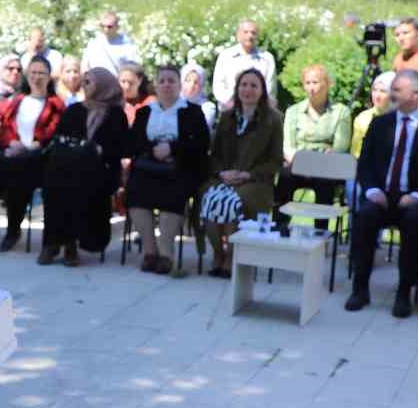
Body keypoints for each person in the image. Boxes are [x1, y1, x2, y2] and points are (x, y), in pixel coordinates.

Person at [347, 69, 418, 316]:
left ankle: (404, 292)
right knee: (365, 217)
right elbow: (365, 163)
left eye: (397, 90)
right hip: (380, 194)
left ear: (415, 95)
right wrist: (370, 189)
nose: (391, 94)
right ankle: (360, 288)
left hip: (414, 196)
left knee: (415, 223)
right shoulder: (380, 124)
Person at [0, 55, 64, 253]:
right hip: (11, 151)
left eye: (41, 73)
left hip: (38, 156)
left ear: (49, 77)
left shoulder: (55, 103)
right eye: (33, 73)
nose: (36, 77)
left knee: (19, 178)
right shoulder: (18, 99)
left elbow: (53, 131)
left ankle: (13, 231)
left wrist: (32, 146)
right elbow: (4, 127)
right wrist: (11, 143)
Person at [124, 65, 211, 275]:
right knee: (136, 190)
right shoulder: (145, 112)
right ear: (156, 84)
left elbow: (202, 144)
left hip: (180, 168)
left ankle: (166, 253)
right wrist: (153, 150)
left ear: (179, 84)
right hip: (148, 167)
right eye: (162, 80)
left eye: (171, 80)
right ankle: (149, 251)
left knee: (174, 191)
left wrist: (172, 148)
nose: (166, 85)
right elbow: (132, 142)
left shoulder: (192, 112)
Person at [198, 69, 284, 278]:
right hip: (224, 177)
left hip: (255, 182)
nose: (248, 89)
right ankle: (219, 254)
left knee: (233, 201)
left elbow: (275, 161)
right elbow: (215, 154)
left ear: (262, 91)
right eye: (244, 85)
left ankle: (232, 257)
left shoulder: (273, 120)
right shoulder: (227, 117)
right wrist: (222, 173)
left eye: (254, 85)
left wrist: (248, 175)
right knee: (210, 198)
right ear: (237, 89)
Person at [38, 67, 127, 266]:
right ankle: (56, 242)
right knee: (56, 180)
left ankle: (66, 243)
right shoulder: (74, 110)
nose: (84, 86)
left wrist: (94, 150)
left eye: (89, 82)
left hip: (102, 170)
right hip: (68, 169)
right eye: (84, 82)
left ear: (103, 85)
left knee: (72, 180)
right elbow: (60, 139)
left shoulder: (115, 114)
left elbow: (118, 149)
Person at [274, 64, 351, 235]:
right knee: (285, 177)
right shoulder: (293, 111)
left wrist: (318, 162)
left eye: (315, 82)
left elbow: (340, 146)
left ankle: (320, 232)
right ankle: (279, 226)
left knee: (325, 182)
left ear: (327, 84)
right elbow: (287, 145)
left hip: (325, 164)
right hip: (298, 161)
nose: (311, 87)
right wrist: (302, 162)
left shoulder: (341, 112)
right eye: (307, 83)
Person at [211, 19, 277, 106]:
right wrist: (232, 105)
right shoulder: (226, 56)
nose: (250, 36)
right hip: (230, 110)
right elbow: (218, 85)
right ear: (238, 35)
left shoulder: (267, 59)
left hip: (258, 111)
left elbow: (270, 88)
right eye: (246, 32)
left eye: (253, 33)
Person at [81, 10, 140, 76]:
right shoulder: (93, 44)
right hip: (96, 83)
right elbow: (85, 66)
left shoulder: (126, 45)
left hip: (116, 83)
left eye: (109, 27)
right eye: (102, 26)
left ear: (117, 27)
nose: (105, 29)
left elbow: (133, 68)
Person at [352, 71, 395, 159]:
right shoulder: (362, 118)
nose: (377, 96)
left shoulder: (402, 118)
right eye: (374, 90)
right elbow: (355, 154)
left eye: (383, 91)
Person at [182, 61, 217, 128]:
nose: (191, 85)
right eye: (188, 80)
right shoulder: (173, 103)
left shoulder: (208, 107)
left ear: (201, 85)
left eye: (196, 82)